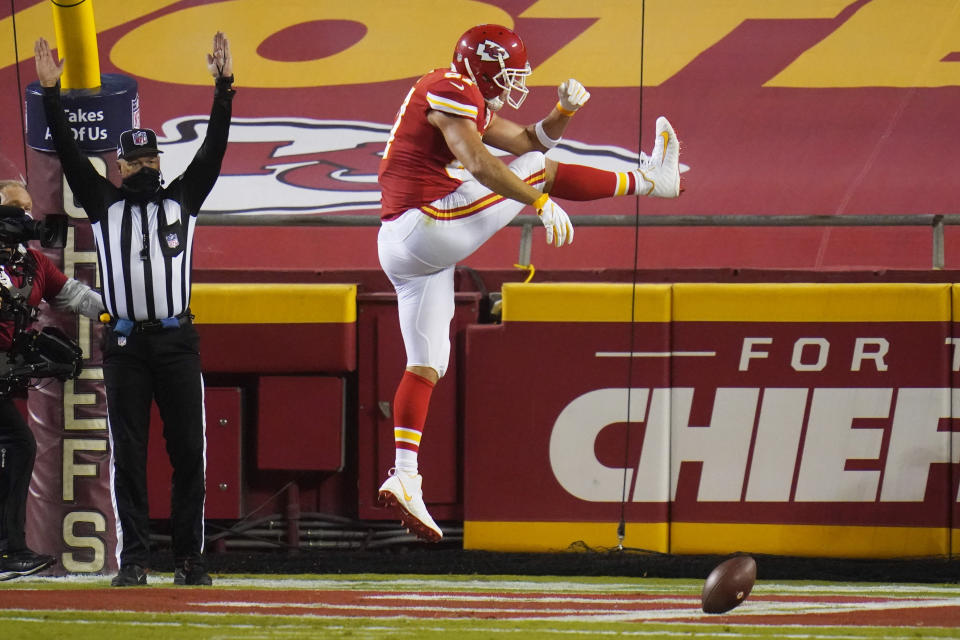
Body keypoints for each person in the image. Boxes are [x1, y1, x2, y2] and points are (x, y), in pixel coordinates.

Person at [376, 24, 681, 541]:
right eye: (510, 73)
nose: (515, 83)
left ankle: (405, 476)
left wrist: (562, 113)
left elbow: (524, 139)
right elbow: (477, 160)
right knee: (537, 171)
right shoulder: (451, 89)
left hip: (405, 246)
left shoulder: (457, 91)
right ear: (486, 64)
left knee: (427, 363)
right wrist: (536, 200)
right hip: (423, 223)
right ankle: (653, 181)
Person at [34, 32, 235, 586]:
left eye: (152, 156)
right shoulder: (103, 203)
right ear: (119, 166)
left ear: (158, 160)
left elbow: (213, 150)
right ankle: (137, 560)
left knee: (188, 454)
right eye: (136, 158)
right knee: (128, 454)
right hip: (124, 344)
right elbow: (73, 158)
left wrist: (224, 87)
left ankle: (190, 560)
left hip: (175, 341)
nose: (145, 164)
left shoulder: (184, 199)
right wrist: (51, 95)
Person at [0, 180, 103, 580]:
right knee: (18, 445)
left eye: (27, 208)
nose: (24, 217)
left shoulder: (34, 263)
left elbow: (74, 296)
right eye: (14, 208)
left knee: (17, 447)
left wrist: (118, 308)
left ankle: (10, 549)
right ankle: (9, 550)